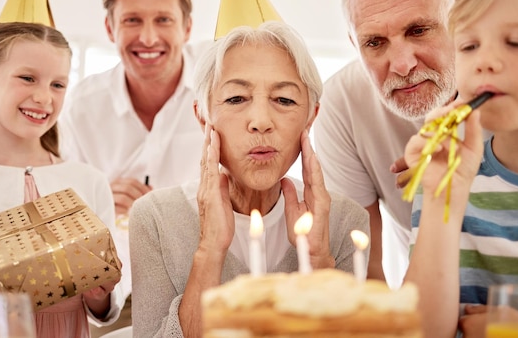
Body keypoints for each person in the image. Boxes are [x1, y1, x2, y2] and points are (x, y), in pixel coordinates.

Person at [129, 20, 370, 338]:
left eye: (284, 100)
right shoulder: (155, 218)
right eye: (236, 99)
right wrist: (209, 250)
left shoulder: (345, 220)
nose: (260, 122)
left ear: (311, 116)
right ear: (203, 115)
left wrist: (317, 260)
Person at [0, 22, 123, 338]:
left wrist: (99, 294)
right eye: (27, 78)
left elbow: (102, 310)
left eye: (58, 84)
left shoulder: (90, 182)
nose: (44, 97)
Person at [405, 0, 518, 338]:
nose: (483, 60)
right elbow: (418, 333)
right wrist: (444, 201)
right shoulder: (448, 177)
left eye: (517, 41)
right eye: (469, 46)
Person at [59, 0, 206, 334]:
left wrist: (169, 210)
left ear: (187, 27)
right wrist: (97, 200)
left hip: (207, 281)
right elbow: (63, 215)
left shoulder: (219, 92)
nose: (149, 38)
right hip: (114, 291)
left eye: (163, 20)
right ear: (110, 28)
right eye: (132, 21)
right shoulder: (82, 107)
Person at [313, 0, 457, 287]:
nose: (403, 64)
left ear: (459, 19)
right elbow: (365, 276)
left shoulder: (515, 84)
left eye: (419, 30)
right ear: (354, 44)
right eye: (375, 43)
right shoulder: (341, 102)